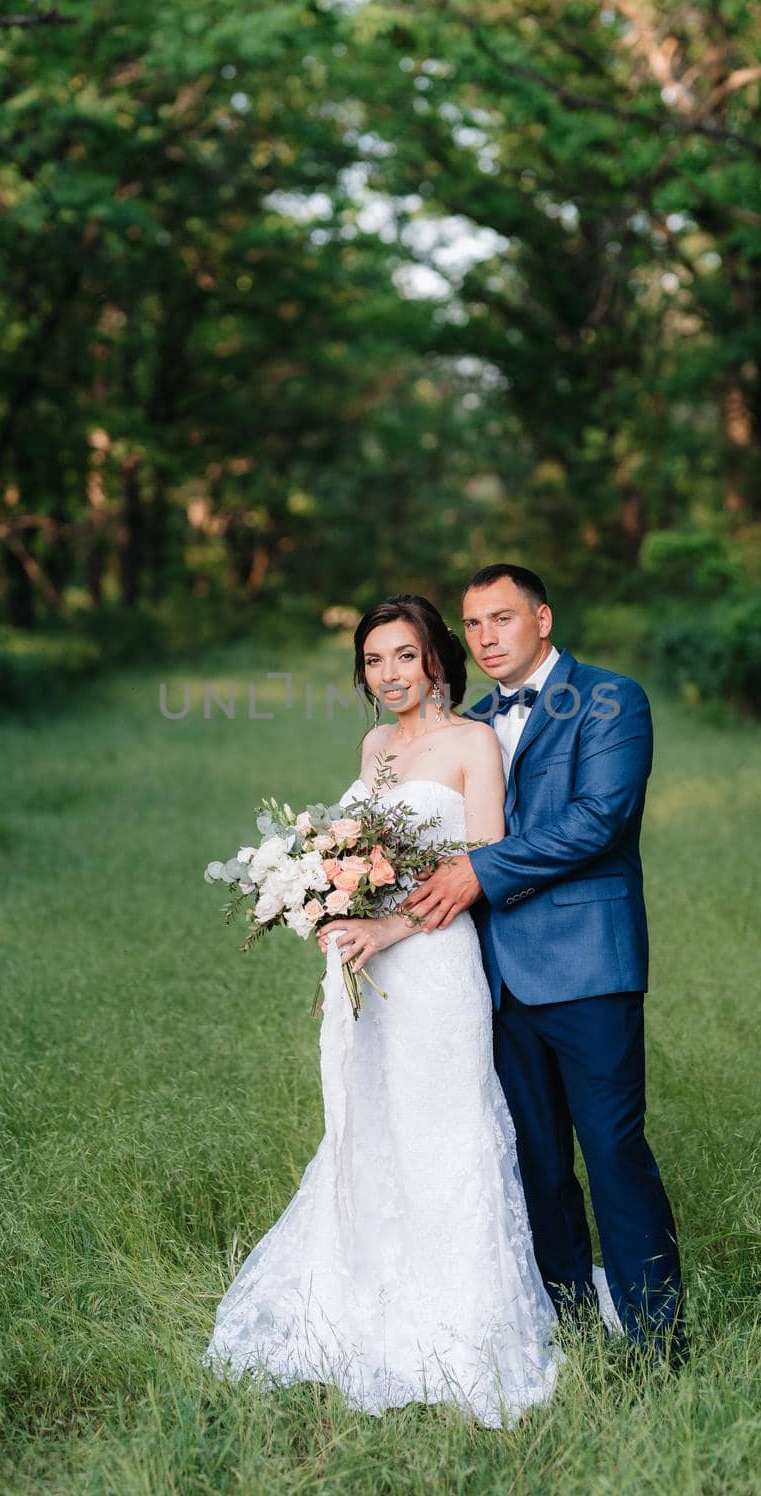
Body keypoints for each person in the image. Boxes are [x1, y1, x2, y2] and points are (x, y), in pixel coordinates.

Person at [202, 593, 618, 1426]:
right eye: (372, 660)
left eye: (403, 655)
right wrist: (331, 926)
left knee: (445, 1133)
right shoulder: (374, 745)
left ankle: (463, 1321)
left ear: (436, 658)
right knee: (373, 1128)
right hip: (371, 978)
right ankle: (368, 1294)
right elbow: (355, 861)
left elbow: (482, 872)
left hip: (433, 967)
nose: (388, 675)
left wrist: (388, 925)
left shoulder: (473, 744)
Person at [402, 564, 687, 1367]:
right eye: (472, 625)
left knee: (614, 1153)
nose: (486, 637)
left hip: (590, 966)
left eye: (502, 617)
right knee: (534, 1163)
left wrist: (478, 874)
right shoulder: (469, 724)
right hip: (491, 974)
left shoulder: (611, 698)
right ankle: (565, 1327)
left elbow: (601, 818)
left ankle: (657, 1343)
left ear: (544, 617)